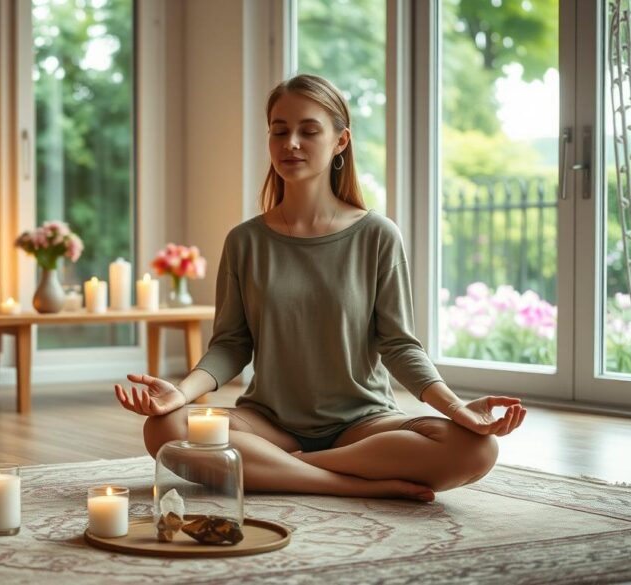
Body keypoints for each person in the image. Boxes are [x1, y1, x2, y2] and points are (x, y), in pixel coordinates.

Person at [114, 74, 526, 502]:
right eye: (279, 131)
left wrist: (457, 410)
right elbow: (231, 344)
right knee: (164, 428)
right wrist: (179, 393)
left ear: (340, 142)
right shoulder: (245, 241)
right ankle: (349, 484)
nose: (291, 142)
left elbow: (401, 346)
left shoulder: (377, 235)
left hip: (363, 427)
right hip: (268, 425)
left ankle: (280, 471)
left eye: (308, 131)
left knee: (476, 448)